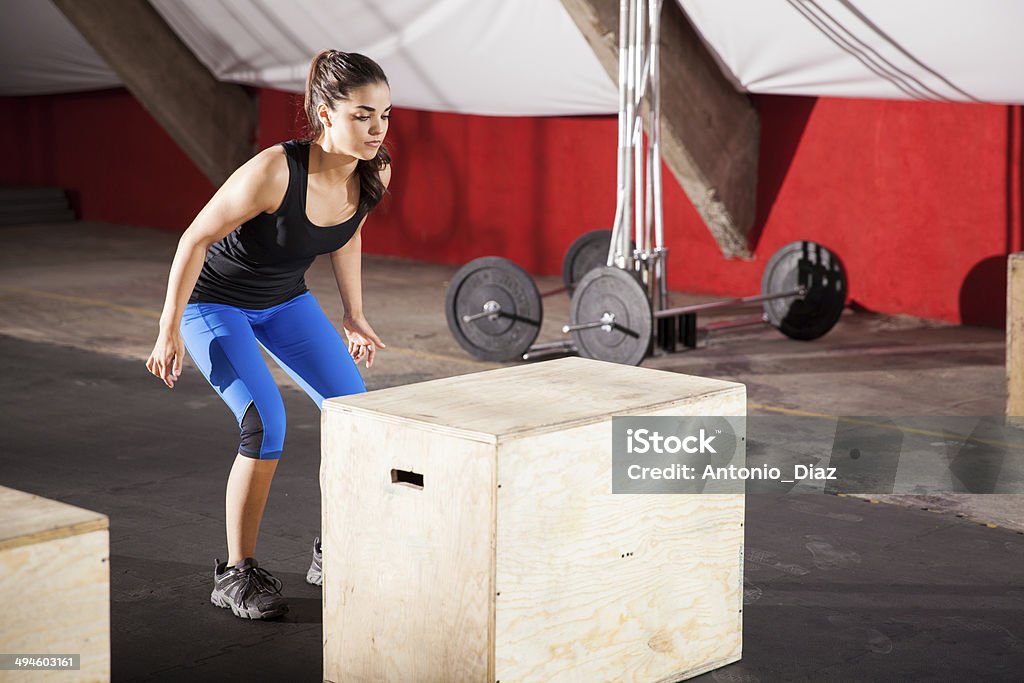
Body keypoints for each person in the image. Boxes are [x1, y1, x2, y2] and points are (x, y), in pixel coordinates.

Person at [145, 50, 391, 620]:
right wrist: (167, 331)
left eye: (384, 114)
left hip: (284, 301)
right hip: (214, 305)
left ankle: (336, 546)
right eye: (362, 115)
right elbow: (193, 239)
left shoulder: (374, 168)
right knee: (265, 422)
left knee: (357, 416)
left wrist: (353, 313)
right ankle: (236, 572)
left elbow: (348, 233)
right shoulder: (273, 171)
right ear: (325, 114)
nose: (377, 129)